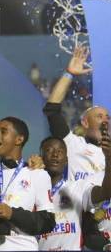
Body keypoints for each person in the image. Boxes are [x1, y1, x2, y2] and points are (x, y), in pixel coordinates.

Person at [0, 117, 55, 251]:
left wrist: (12, 214)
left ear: (19, 139)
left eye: (3, 132)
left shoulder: (37, 174)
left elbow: (47, 222)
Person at [44, 45, 108, 182]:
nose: (105, 121)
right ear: (85, 122)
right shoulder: (72, 144)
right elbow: (51, 110)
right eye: (99, 116)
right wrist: (69, 73)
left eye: (108, 118)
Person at [37, 136, 111, 250]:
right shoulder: (33, 191)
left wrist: (109, 159)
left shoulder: (78, 188)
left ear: (66, 160)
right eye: (49, 150)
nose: (55, 154)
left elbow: (105, 193)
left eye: (60, 151)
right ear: (41, 158)